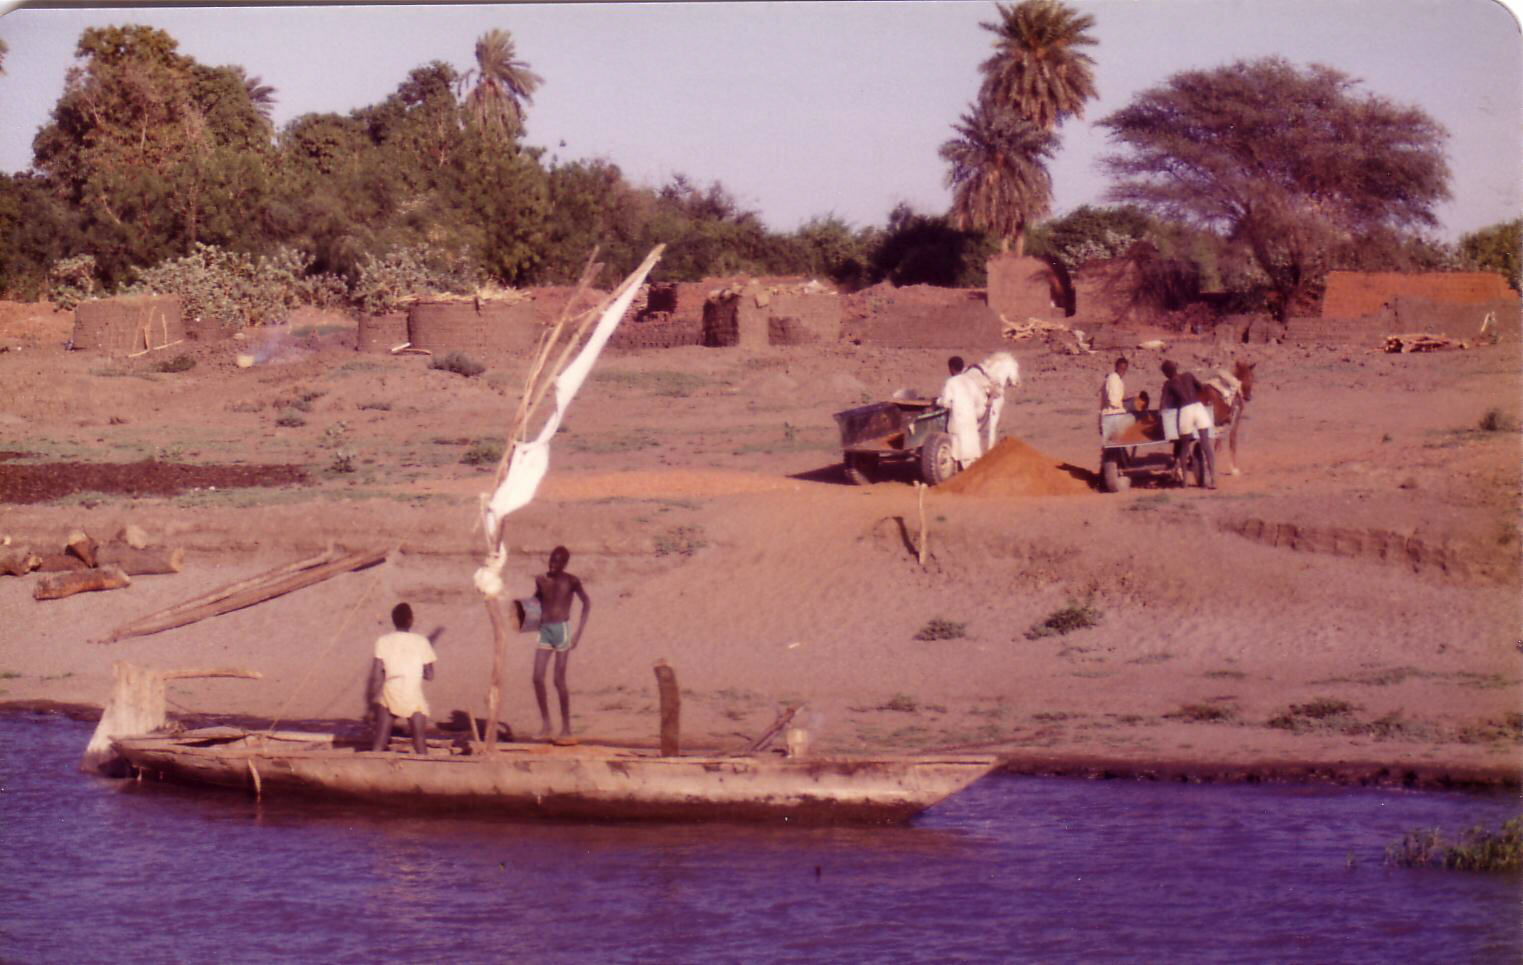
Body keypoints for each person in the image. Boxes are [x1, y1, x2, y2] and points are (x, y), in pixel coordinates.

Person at [531, 545, 590, 738]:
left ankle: (566, 727)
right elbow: (535, 602)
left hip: (562, 630)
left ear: (564, 563)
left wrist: (578, 634)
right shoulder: (541, 580)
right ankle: (547, 724)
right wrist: (523, 616)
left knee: (558, 680)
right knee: (537, 677)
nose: (552, 564)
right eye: (551, 560)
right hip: (545, 630)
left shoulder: (572, 581)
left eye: (557, 561)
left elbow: (586, 603)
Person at [368, 602, 439, 754]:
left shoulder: (383, 641)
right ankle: (424, 769)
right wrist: (417, 670)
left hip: (390, 691)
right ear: (411, 621)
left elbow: (375, 675)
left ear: (393, 621)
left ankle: (372, 766)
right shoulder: (421, 641)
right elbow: (430, 675)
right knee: (419, 742)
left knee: (380, 742)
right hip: (412, 693)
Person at [1160, 359, 1217, 489]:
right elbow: (1201, 387)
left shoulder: (1168, 384)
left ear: (1165, 373)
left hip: (1185, 411)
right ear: (1176, 368)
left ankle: (1185, 481)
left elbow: (1164, 404)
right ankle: (1214, 479)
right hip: (1198, 408)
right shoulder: (1188, 375)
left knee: (1184, 446)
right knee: (1206, 445)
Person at [1099, 357, 1129, 437]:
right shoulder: (1113, 379)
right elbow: (1114, 402)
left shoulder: (1116, 379)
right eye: (1120, 368)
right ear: (1116, 367)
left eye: (1124, 369)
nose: (1122, 371)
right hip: (1111, 417)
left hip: (1112, 417)